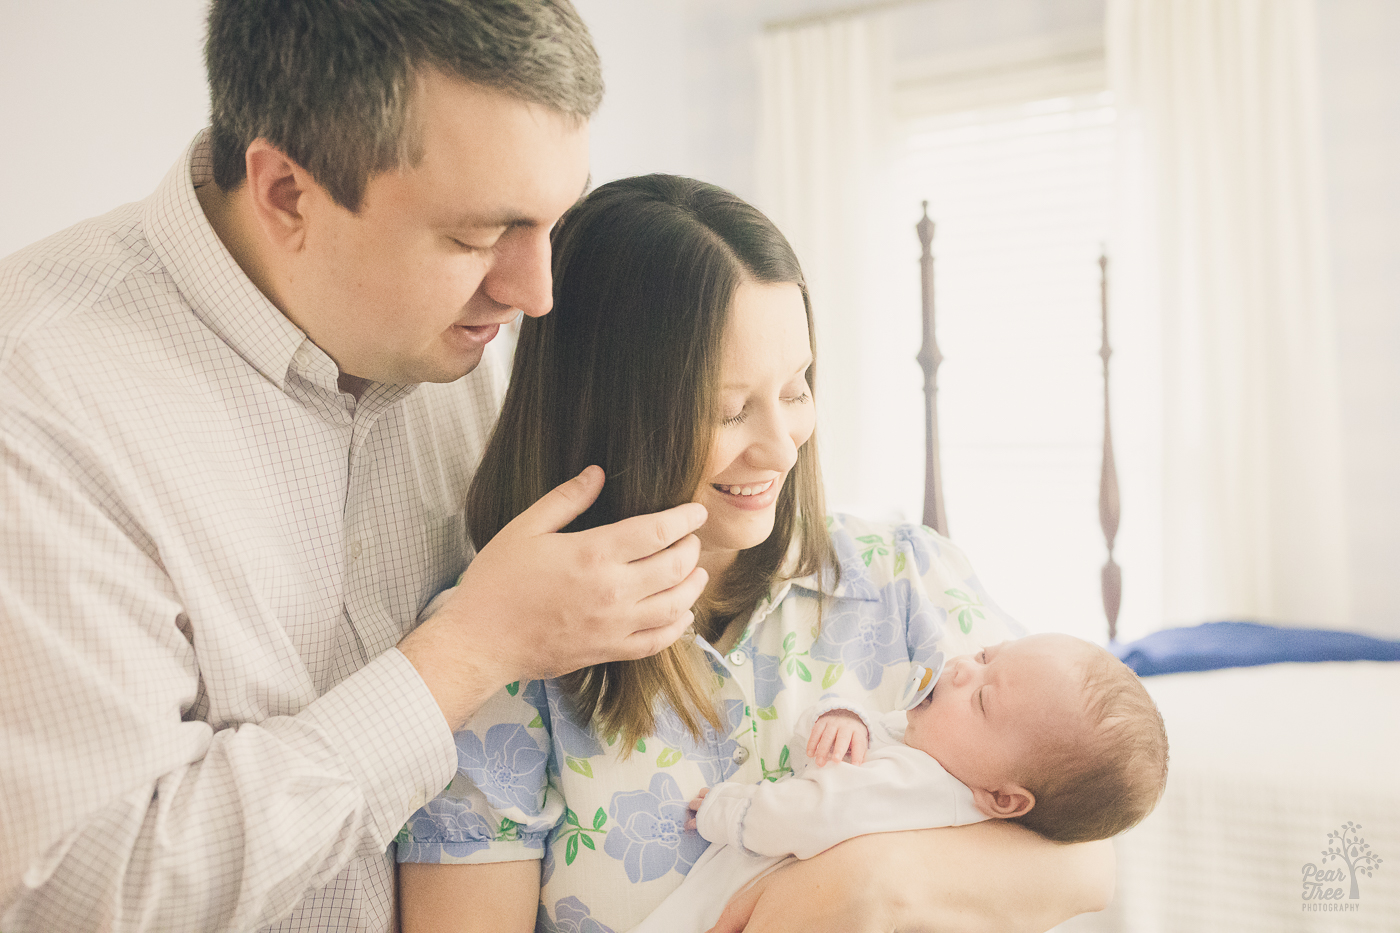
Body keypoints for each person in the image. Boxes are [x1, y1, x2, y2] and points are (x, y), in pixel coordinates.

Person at [0, 3, 711, 931]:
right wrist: (466, 652)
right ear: (288, 193)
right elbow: (83, 892)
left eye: (554, 220)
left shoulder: (464, 338)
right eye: (473, 236)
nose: (534, 292)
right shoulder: (39, 400)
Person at [396, 175, 1117, 933]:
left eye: (798, 387)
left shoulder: (900, 575)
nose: (782, 446)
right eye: (732, 409)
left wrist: (868, 882)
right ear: (609, 414)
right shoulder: (500, 656)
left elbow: (1089, 857)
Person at [632, 633, 1169, 933]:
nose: (961, 669)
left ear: (1004, 798)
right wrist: (847, 718)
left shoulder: (918, 781)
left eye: (983, 698)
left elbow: (810, 812)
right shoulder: (943, 758)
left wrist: (725, 810)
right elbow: (870, 736)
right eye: (986, 656)